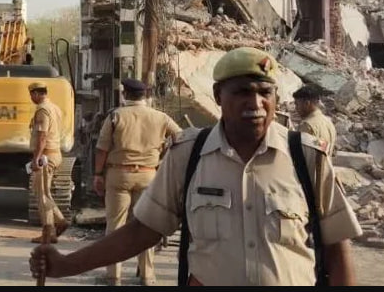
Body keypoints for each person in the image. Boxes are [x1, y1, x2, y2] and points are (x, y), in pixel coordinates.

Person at [30, 47, 362, 286]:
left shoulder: (306, 157)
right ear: (218, 96)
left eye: (265, 92)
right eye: (242, 92)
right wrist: (66, 265)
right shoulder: (189, 155)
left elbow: (337, 245)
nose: (256, 103)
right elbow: (142, 231)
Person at [93, 78, 182, 286]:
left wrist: (98, 174)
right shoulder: (160, 117)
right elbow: (181, 136)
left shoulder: (116, 116)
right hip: (149, 175)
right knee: (146, 227)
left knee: (115, 226)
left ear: (125, 94)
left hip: (119, 175)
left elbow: (101, 149)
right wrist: (163, 156)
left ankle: (113, 275)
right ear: (145, 96)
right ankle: (147, 276)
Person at [28, 81, 69, 244]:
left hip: (46, 155)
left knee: (42, 195)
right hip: (54, 153)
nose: (31, 98)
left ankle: (49, 231)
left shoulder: (43, 110)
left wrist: (36, 158)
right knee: (44, 192)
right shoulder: (55, 108)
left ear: (37, 94)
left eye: (31, 95)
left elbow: (42, 136)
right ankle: (59, 222)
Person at [294, 83, 337, 157]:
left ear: (307, 103)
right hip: (325, 167)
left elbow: (299, 154)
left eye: (297, 104)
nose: (296, 108)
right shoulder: (328, 122)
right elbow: (324, 146)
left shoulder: (307, 125)